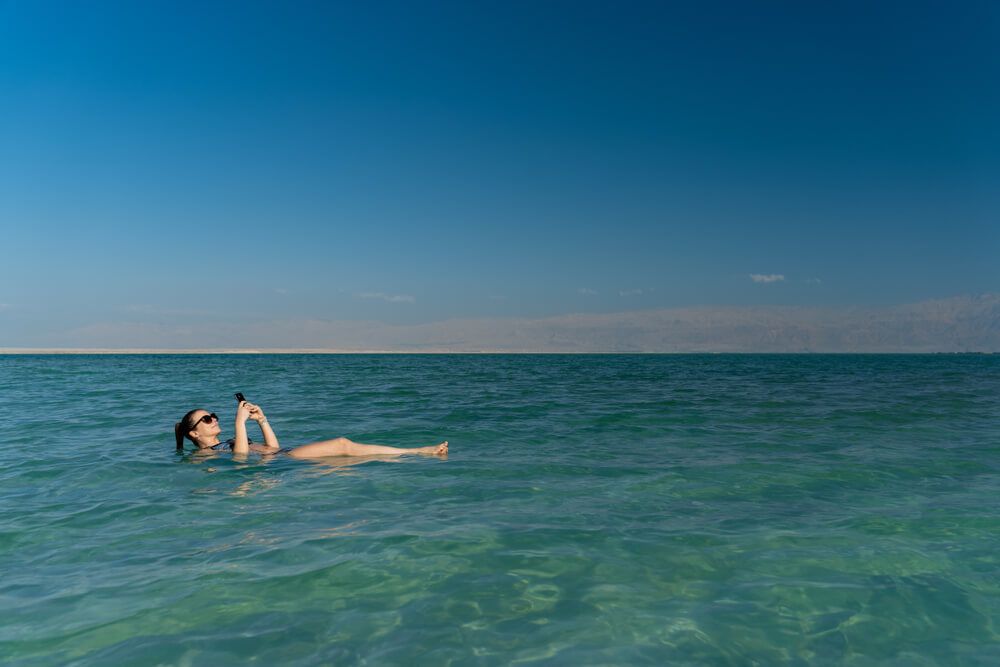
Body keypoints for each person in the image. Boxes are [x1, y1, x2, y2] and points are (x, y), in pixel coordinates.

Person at [174, 399, 448, 458]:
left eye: (213, 415)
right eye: (206, 419)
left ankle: (414, 453)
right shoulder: (203, 455)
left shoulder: (234, 438)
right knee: (343, 446)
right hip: (286, 460)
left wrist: (262, 420)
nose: (213, 419)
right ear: (194, 434)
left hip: (283, 454)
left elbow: (270, 447)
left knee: (344, 457)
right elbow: (241, 460)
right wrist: (239, 421)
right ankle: (418, 452)